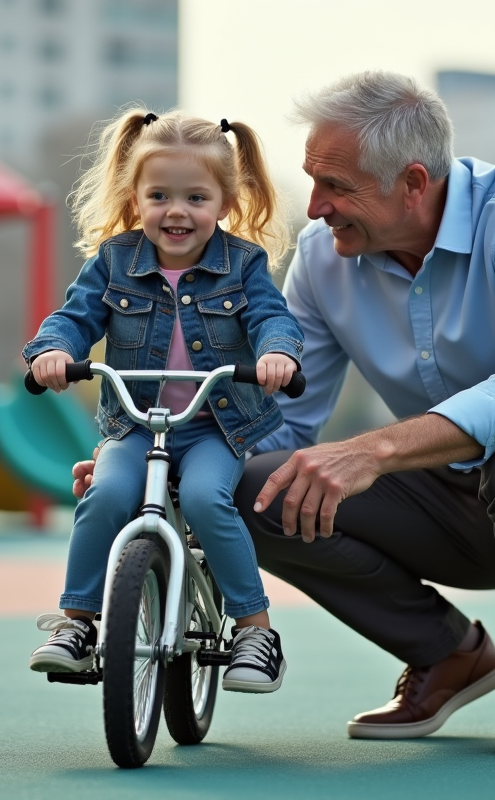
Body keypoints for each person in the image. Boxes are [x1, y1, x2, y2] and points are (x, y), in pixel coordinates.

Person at [72, 72, 495, 754]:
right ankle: (446, 654)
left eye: (336, 186)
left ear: (412, 183)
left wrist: (373, 451)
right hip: (448, 498)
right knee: (253, 487)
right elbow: (279, 420)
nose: (315, 206)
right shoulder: (322, 259)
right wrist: (160, 459)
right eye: (312, 182)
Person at [23, 109, 303, 694]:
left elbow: (272, 318)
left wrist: (278, 353)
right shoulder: (114, 262)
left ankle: (255, 631)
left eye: (196, 197)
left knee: (205, 499)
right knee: (106, 495)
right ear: (136, 198)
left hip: (213, 427)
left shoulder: (243, 264)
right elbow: (75, 318)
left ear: (225, 202)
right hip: (135, 423)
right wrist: (53, 350)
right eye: (159, 196)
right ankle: (77, 624)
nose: (177, 211)